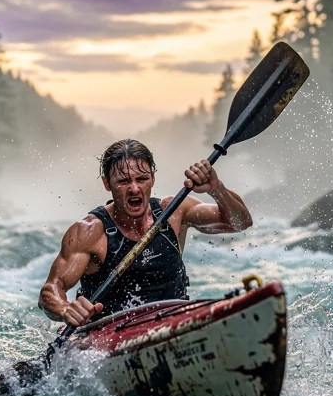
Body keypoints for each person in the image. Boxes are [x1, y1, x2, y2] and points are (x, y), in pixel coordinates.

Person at [38, 138, 254, 327]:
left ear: (152, 178)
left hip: (174, 322)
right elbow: (51, 289)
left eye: (141, 179)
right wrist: (66, 310)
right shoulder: (89, 232)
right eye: (123, 181)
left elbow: (240, 222)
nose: (134, 188)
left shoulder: (174, 211)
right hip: (109, 336)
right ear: (107, 184)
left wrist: (216, 188)